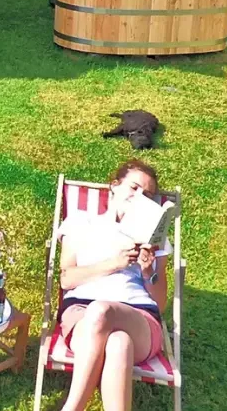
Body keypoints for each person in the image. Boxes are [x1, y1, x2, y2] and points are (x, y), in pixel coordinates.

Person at [57, 160, 167, 411]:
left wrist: (148, 270)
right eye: (134, 187)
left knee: (103, 311)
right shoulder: (81, 221)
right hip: (82, 315)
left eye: (148, 195)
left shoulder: (154, 237)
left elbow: (159, 303)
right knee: (118, 342)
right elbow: (67, 279)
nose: (139, 196)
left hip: (139, 318)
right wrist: (114, 264)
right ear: (114, 186)